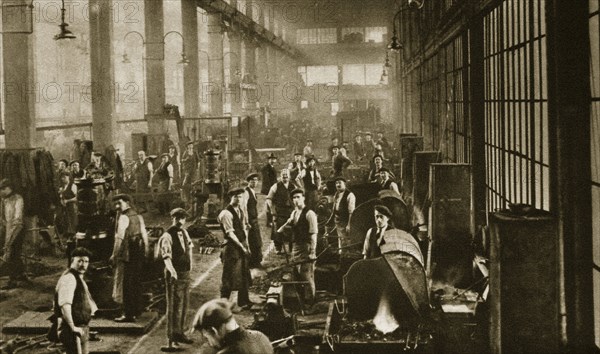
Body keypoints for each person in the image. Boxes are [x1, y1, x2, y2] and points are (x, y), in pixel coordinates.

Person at [158, 208, 195, 351]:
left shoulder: (185, 232)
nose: (180, 221)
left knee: (184, 305)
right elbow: (166, 257)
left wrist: (190, 265)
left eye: (183, 218)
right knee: (173, 307)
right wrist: (172, 272)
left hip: (185, 274)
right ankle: (171, 340)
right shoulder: (167, 236)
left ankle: (180, 333)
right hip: (174, 275)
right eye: (177, 218)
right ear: (172, 218)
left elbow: (190, 248)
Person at [111, 194, 149, 323]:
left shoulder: (123, 217)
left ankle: (128, 314)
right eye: (115, 204)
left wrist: (114, 255)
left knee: (127, 283)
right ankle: (137, 311)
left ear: (127, 202)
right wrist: (146, 251)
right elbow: (144, 234)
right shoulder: (137, 215)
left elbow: (119, 238)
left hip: (129, 252)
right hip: (138, 250)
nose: (117, 206)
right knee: (136, 281)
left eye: (119, 203)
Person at [53, 247, 98, 354]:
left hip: (80, 328)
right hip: (72, 330)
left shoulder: (77, 277)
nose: (83, 264)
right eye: (80, 261)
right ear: (72, 261)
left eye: (86, 261)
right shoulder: (69, 278)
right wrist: (72, 326)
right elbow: (65, 305)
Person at [277, 189, 318, 303]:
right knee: (297, 274)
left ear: (303, 198)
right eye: (294, 197)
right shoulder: (295, 212)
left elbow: (314, 234)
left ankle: (311, 302)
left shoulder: (310, 214)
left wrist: (313, 252)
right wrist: (280, 229)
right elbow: (289, 222)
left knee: (307, 276)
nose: (296, 200)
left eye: (298, 197)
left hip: (306, 247)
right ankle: (302, 299)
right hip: (296, 247)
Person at [194, 299, 273, 354]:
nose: (210, 344)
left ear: (214, 330)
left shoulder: (228, 352)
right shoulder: (261, 337)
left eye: (208, 338)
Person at [217, 188, 253, 308]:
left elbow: (243, 229)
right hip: (231, 248)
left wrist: (246, 244)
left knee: (244, 272)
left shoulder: (240, 210)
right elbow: (230, 233)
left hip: (241, 244)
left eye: (240, 196)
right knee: (228, 275)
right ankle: (223, 304)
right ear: (230, 198)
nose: (238, 199)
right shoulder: (226, 213)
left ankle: (243, 301)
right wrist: (242, 246)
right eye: (235, 196)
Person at [0, 179, 27, 288]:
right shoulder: (3, 200)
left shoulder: (18, 198)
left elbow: (18, 218)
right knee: (10, 252)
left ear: (9, 188)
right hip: (7, 228)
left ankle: (12, 280)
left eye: (3, 189)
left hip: (18, 228)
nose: (1, 191)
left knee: (13, 252)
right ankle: (21, 274)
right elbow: (2, 217)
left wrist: (10, 236)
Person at [265, 169, 297, 254]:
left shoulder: (293, 186)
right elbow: (269, 198)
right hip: (279, 211)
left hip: (290, 211)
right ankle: (278, 248)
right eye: (283, 175)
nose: (285, 177)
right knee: (278, 229)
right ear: (280, 176)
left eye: (286, 175)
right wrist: (272, 210)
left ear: (289, 176)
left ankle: (291, 248)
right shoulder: (275, 186)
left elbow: (298, 196)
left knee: (291, 229)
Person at [243, 174, 263, 268]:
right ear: (248, 182)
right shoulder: (246, 192)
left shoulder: (253, 191)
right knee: (253, 241)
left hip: (254, 219)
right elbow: (244, 208)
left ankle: (256, 261)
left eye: (256, 180)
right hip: (250, 220)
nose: (254, 182)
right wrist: (246, 221)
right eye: (252, 181)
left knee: (257, 240)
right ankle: (253, 262)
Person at [332, 177, 356, 253]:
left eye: (339, 182)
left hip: (345, 221)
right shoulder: (336, 194)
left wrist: (349, 225)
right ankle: (341, 254)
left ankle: (346, 257)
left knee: (346, 241)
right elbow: (334, 209)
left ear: (344, 184)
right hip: (338, 221)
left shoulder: (350, 195)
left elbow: (351, 212)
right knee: (340, 239)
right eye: (336, 183)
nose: (338, 185)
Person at [57, 173, 78, 241]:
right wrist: (62, 201)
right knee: (65, 220)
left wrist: (68, 201)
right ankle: (66, 237)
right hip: (65, 208)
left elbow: (77, 197)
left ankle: (73, 237)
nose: (63, 179)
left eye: (65, 177)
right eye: (62, 177)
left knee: (72, 221)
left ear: (68, 177)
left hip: (72, 206)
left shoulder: (73, 186)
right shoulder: (62, 188)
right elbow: (61, 198)